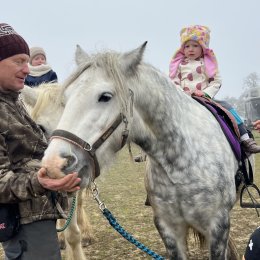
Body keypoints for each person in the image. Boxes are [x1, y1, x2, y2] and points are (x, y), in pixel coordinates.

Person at [0, 23, 80, 260]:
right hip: (24, 224)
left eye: (27, 62)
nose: (27, 69)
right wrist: (41, 181)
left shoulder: (13, 104)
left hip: (37, 217)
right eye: (18, 61)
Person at [169, 25, 260, 154]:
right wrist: (181, 93)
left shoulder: (208, 63)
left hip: (205, 99)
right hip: (183, 99)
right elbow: (173, 81)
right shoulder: (179, 65)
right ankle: (151, 148)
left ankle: (246, 140)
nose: (191, 49)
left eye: (195, 46)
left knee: (229, 108)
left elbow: (217, 81)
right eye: (187, 46)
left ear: (203, 47)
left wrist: (205, 92)